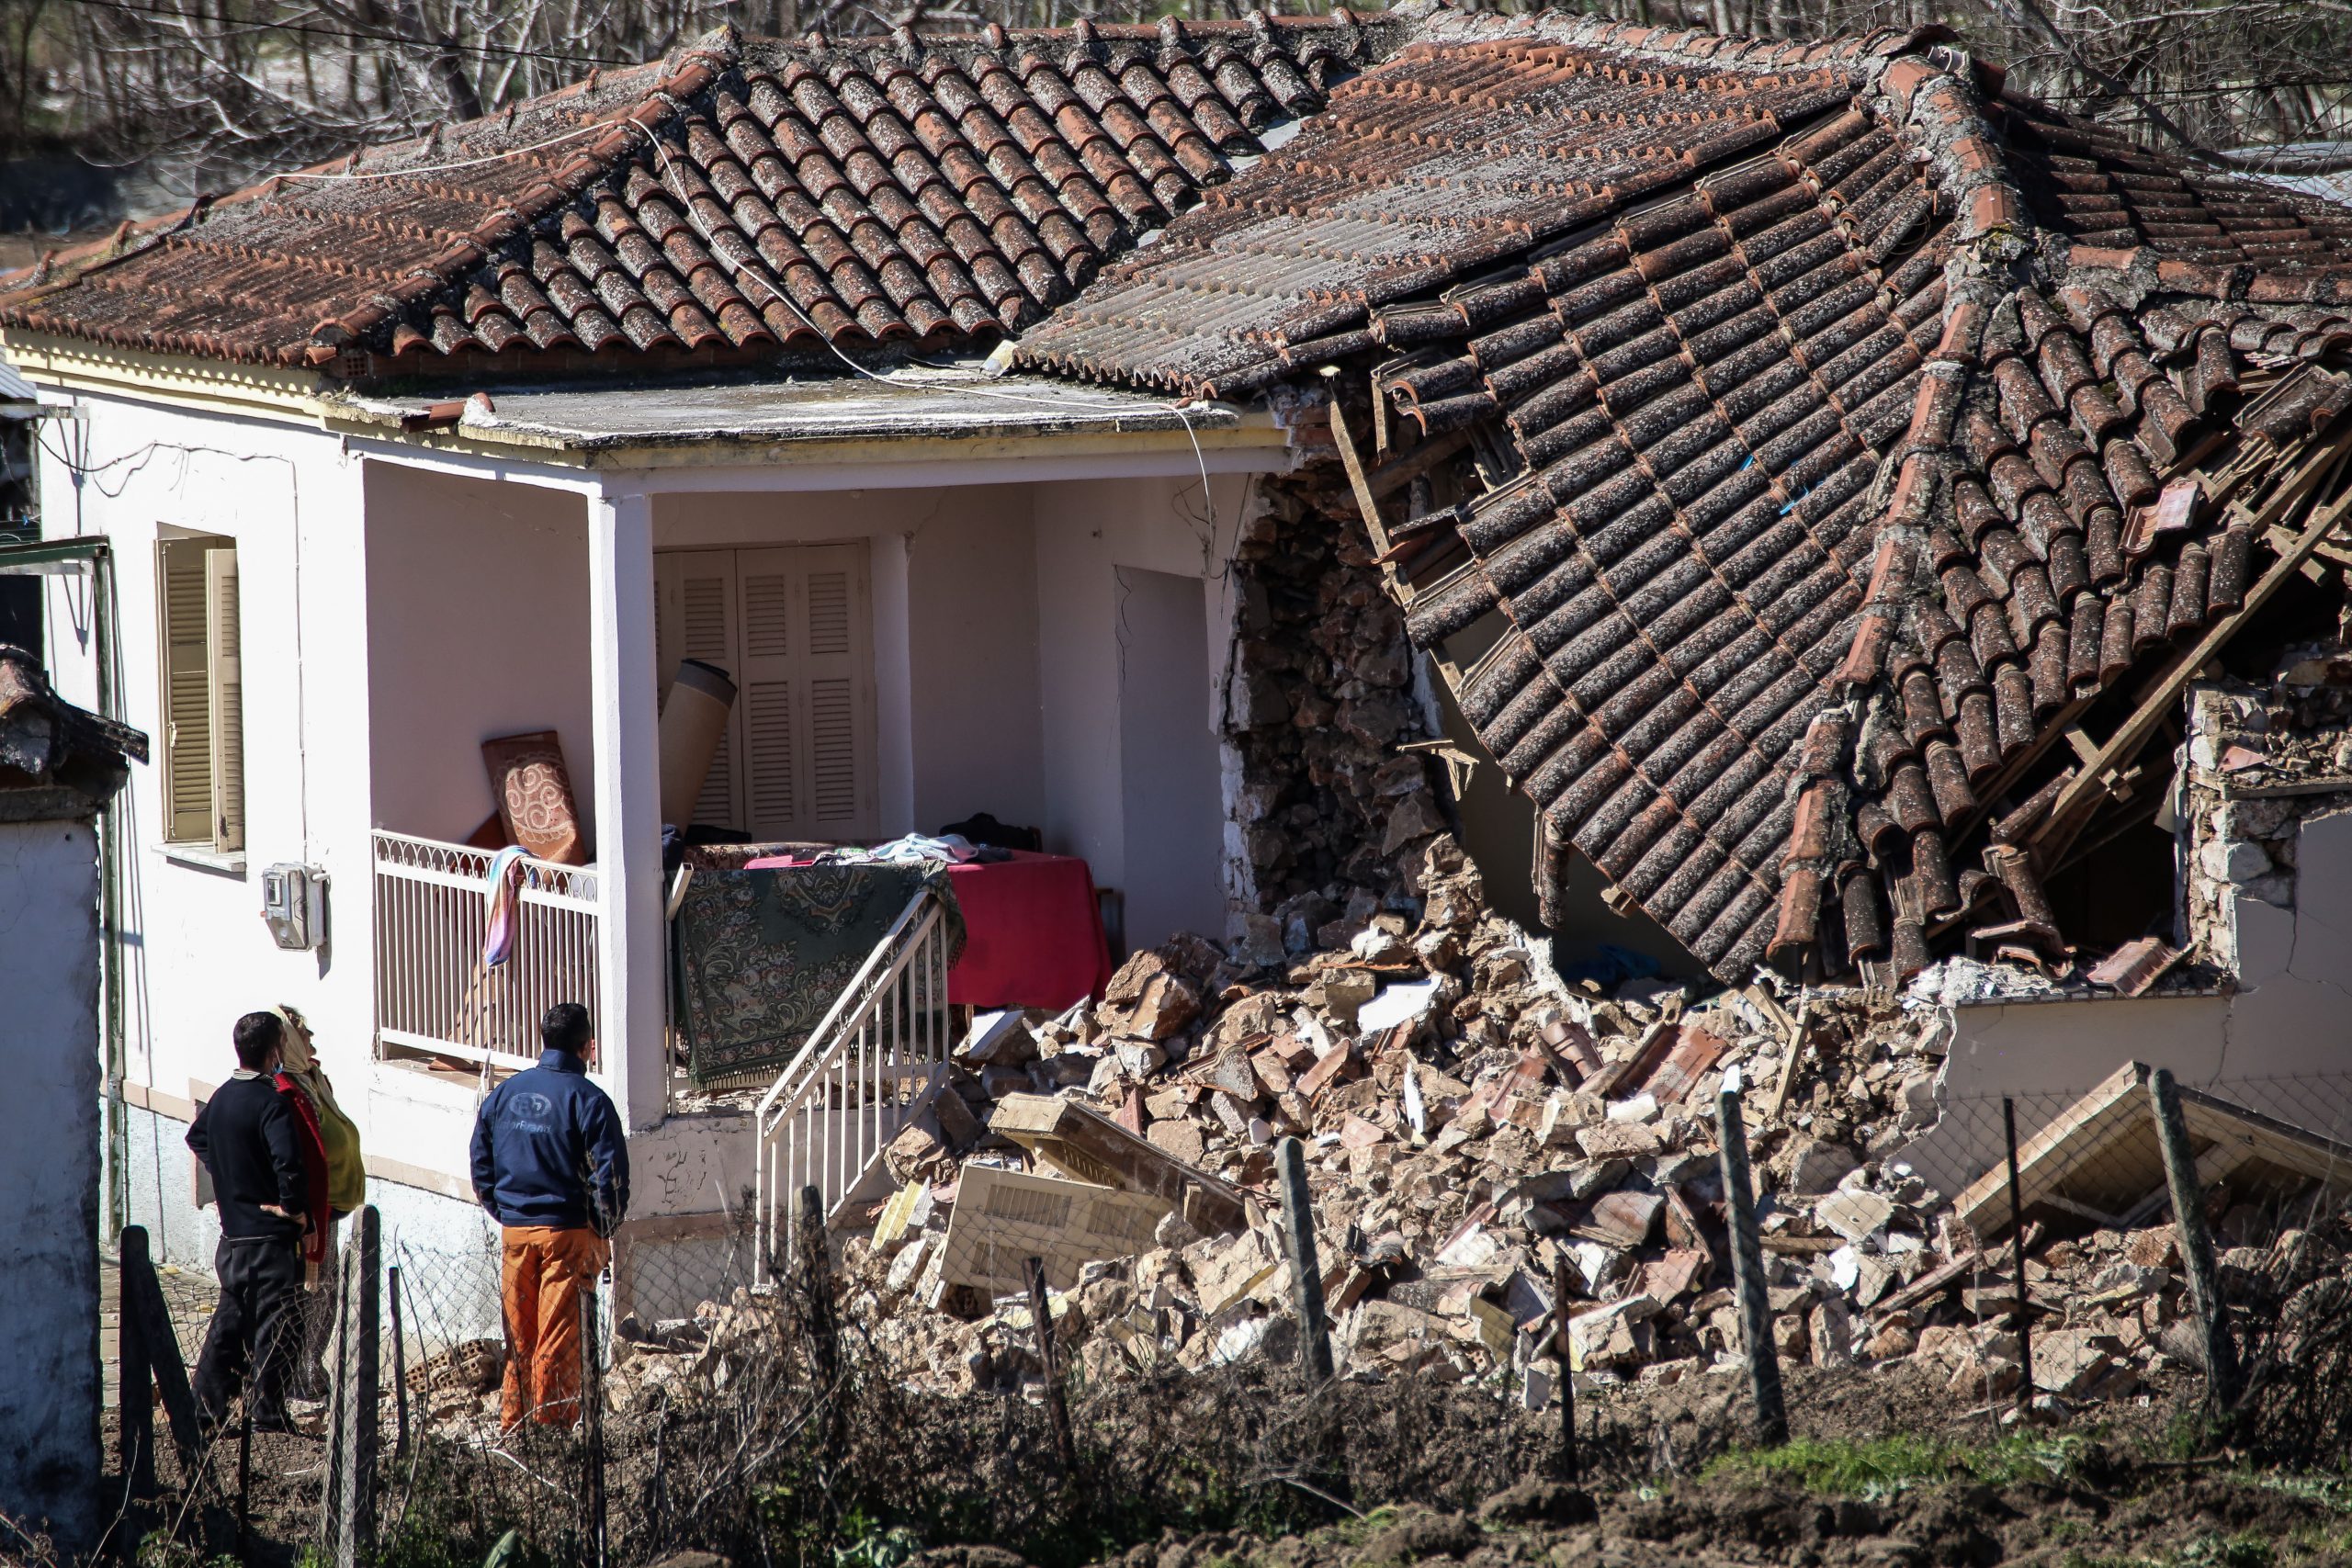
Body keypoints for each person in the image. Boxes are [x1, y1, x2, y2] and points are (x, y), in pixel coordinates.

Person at [469, 1001, 629, 1430]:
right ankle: (550, 1435)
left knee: (519, 1339)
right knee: (558, 1342)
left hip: (516, 1235)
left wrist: (505, 1210)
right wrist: (602, 1226)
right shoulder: (590, 1100)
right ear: (587, 1047)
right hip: (568, 1235)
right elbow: (609, 1177)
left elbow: (480, 1164)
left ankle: (513, 1427)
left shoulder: (503, 1094)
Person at [187, 1010, 315, 1434]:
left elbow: (197, 1137)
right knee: (276, 1327)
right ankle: (268, 1414)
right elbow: (289, 1165)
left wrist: (228, 1174)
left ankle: (204, 1411)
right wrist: (292, 1208)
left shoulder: (222, 1097)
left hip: (235, 1235)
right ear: (275, 1050)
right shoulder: (271, 1103)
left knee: (230, 1320)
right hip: (270, 1238)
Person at [269, 1004, 365, 1400]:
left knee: (326, 1290)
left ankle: (311, 1366)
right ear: (287, 1042)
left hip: (332, 1207)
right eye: (304, 1036)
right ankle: (300, 1374)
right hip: (310, 1213)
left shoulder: (312, 1078)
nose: (311, 1041)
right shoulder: (284, 1088)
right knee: (312, 1291)